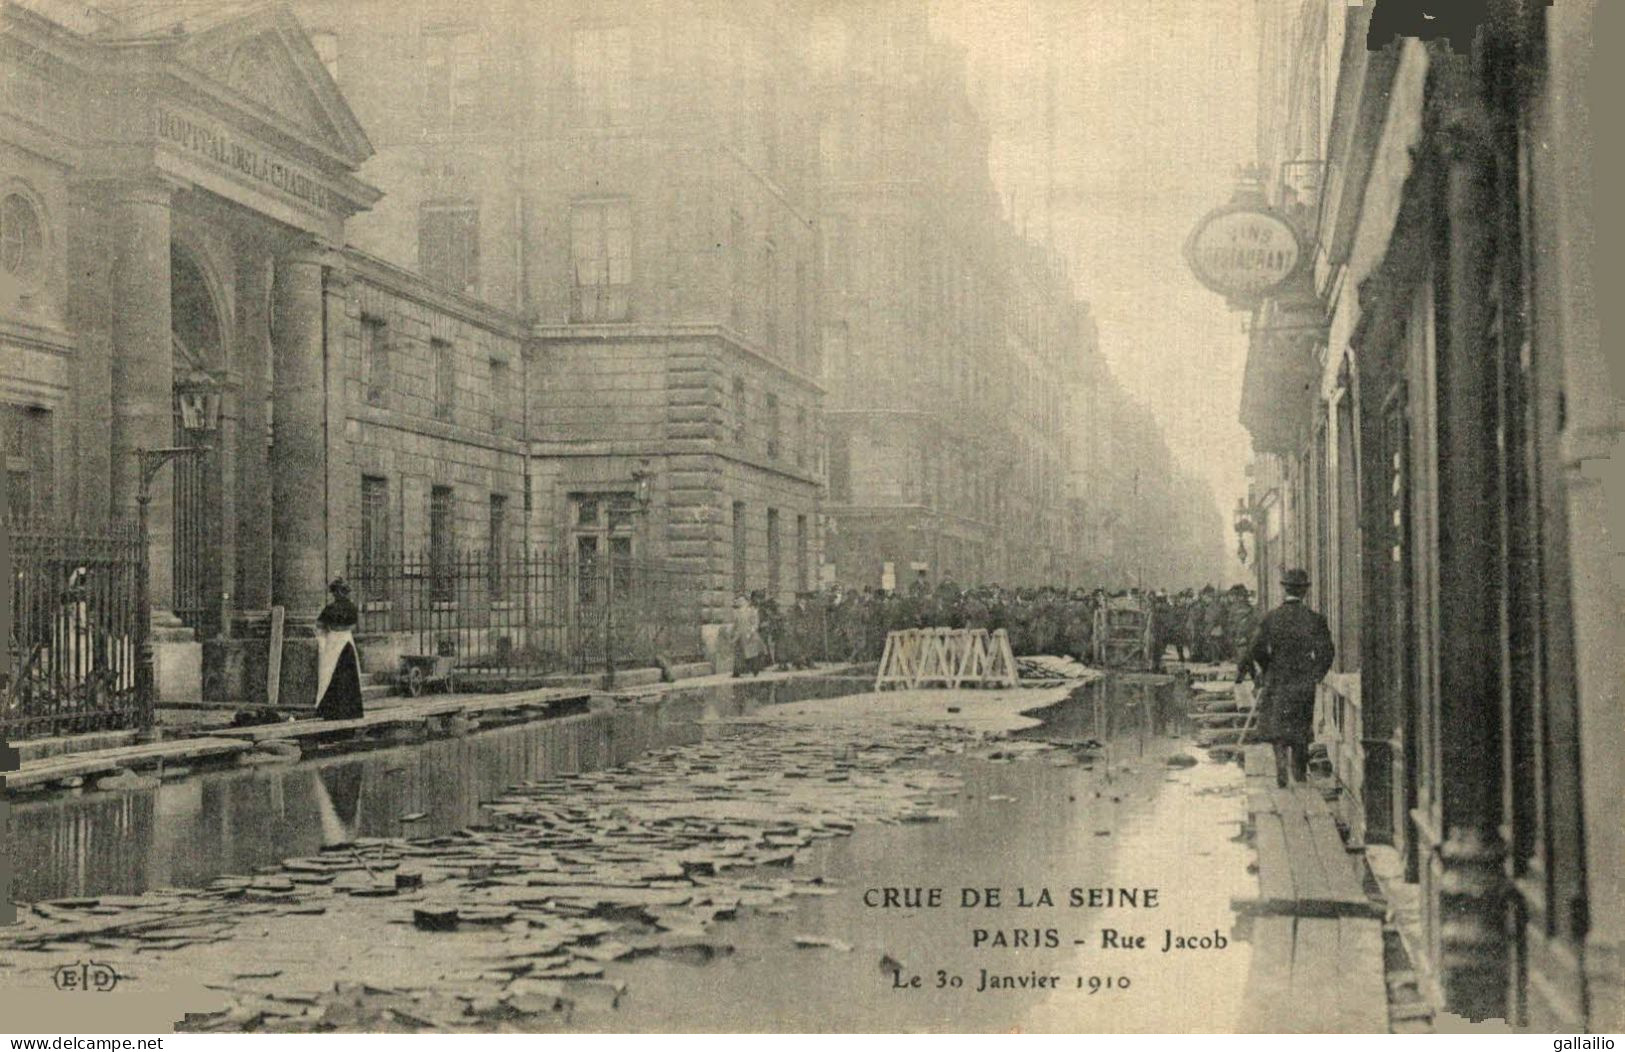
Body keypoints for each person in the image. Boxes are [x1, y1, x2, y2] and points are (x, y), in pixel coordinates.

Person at [1236, 568, 1334, 787]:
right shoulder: (1314, 619)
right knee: (1300, 726)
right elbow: (1327, 651)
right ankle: (1299, 775)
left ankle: (1281, 770)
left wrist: (1267, 666)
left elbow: (1255, 649)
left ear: (1284, 590)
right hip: (1303, 680)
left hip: (1277, 678)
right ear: (1305, 592)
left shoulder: (1272, 617)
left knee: (1278, 725)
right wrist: (1316, 673)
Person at [314, 577, 365, 720]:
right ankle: (349, 710)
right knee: (347, 674)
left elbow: (319, 625)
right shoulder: (351, 608)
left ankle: (331, 710)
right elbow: (354, 625)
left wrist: (325, 635)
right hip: (347, 640)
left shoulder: (330, 608)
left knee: (330, 672)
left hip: (334, 640)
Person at [730, 593, 762, 677]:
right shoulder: (737, 612)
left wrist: (751, 632)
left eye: (742, 600)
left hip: (749, 635)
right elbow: (735, 624)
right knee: (738, 654)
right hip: (739, 635)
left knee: (751, 653)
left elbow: (755, 623)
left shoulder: (752, 611)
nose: (740, 602)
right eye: (739, 600)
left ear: (747, 602)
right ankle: (736, 672)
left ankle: (755, 671)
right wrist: (732, 634)